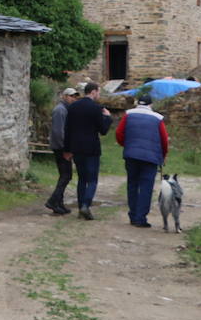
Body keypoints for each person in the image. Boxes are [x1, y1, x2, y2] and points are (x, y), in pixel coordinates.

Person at [115, 90, 168, 227]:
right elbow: (164, 140)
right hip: (150, 158)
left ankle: (132, 215)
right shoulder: (157, 118)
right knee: (146, 187)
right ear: (151, 104)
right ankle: (140, 217)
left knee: (132, 184)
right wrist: (163, 155)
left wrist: (126, 145)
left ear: (138, 103)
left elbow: (119, 132)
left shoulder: (128, 114)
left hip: (131, 155)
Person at [63, 81, 113, 219]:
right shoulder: (96, 108)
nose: (99, 95)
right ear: (94, 91)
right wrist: (108, 118)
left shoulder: (73, 107)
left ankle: (80, 207)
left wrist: (67, 149)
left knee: (82, 179)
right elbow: (103, 130)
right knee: (92, 179)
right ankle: (86, 205)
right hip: (91, 148)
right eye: (98, 92)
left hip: (77, 147)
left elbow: (67, 129)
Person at [44, 86, 80, 215]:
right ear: (64, 96)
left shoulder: (65, 109)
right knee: (66, 175)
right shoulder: (60, 110)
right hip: (61, 148)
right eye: (71, 96)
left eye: (75, 96)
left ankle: (58, 203)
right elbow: (58, 132)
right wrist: (65, 149)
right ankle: (53, 201)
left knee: (65, 175)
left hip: (62, 147)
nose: (73, 99)